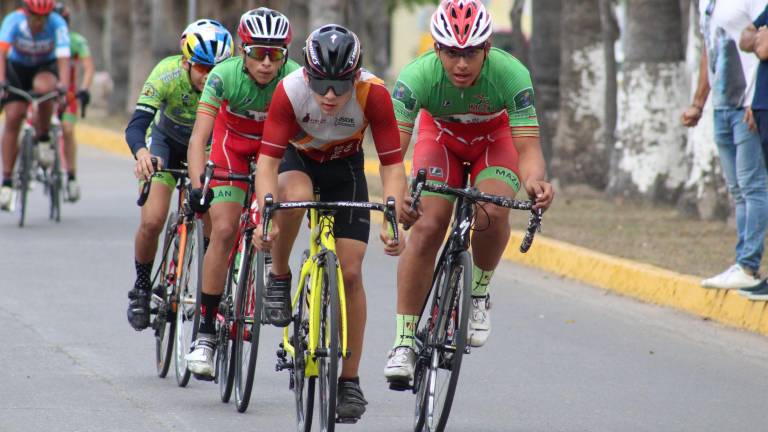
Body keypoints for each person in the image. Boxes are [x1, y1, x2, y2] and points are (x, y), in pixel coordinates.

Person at [383, 0, 554, 387]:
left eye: (471, 53)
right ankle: (404, 342)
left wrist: (535, 183)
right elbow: (393, 156)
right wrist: (396, 202)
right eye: (452, 52)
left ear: (487, 47)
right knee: (427, 227)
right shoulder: (417, 77)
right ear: (437, 49)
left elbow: (528, 149)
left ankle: (478, 293)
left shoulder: (511, 74)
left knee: (491, 209)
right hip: (439, 138)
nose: (461, 63)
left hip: (494, 141)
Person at [252, 24, 408, 421]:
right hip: (298, 161)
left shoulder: (374, 95)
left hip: (346, 168)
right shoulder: (290, 91)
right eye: (322, 83)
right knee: (295, 194)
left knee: (352, 273)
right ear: (308, 74)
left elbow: (392, 168)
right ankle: (282, 275)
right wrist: (265, 214)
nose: (331, 95)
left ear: (356, 76)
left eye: (341, 85)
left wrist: (392, 218)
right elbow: (267, 165)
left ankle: (349, 382)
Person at [184, 8, 300, 379]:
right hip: (230, 148)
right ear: (241, 50)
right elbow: (199, 138)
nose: (267, 63)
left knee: (283, 203)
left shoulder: (295, 77)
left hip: (274, 150)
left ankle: (268, 263)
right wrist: (198, 185)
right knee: (222, 230)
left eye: (276, 54)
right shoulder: (222, 76)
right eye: (258, 53)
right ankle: (204, 333)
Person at [124, 20, 233, 331]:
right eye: (202, 67)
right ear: (186, 61)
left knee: (213, 216)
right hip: (166, 144)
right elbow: (137, 123)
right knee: (153, 219)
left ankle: (211, 287)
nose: (210, 75)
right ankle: (142, 287)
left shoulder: (227, 81)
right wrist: (142, 153)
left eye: (217, 68)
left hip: (209, 146)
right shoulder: (167, 73)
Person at [682, 0, 768, 290]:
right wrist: (698, 103)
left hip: (746, 104)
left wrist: (756, 99)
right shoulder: (705, 3)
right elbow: (709, 48)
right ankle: (742, 263)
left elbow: (762, 39)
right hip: (722, 106)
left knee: (752, 186)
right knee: (737, 189)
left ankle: (748, 264)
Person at [0, 0, 70, 210]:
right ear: (26, 12)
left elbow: (64, 58)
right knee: (13, 116)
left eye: (43, 18)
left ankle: (43, 137)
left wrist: (64, 87)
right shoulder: (13, 21)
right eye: (34, 17)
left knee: (46, 90)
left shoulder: (57, 23)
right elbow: (2, 54)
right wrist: (2, 82)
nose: (39, 22)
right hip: (17, 69)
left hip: (44, 67)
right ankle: (7, 181)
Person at [739, 3, 768, 300]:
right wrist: (760, 36)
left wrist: (762, 39)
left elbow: (763, 46)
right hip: (762, 104)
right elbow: (748, 39)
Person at [53, 2, 93, 202]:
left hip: (67, 96)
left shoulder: (76, 41)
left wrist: (84, 88)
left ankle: (71, 176)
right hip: (44, 93)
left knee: (67, 130)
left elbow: (88, 67)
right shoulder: (41, 40)